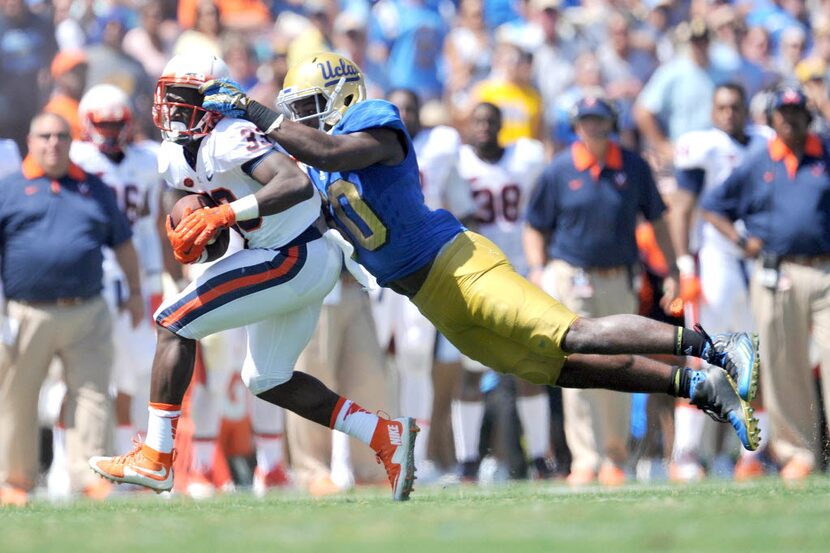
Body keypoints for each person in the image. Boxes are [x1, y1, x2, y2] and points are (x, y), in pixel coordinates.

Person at [198, 52, 762, 459]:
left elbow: (331, 147)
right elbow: (304, 197)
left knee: (572, 332)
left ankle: (714, 346)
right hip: (427, 297)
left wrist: (253, 108)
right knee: (559, 369)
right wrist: (223, 216)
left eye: (309, 106)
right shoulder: (314, 166)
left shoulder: (374, 122)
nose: (300, 118)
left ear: (343, 95)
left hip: (459, 263)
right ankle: (695, 387)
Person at [88, 53, 418, 501]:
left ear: (213, 99)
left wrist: (226, 213)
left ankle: (157, 456)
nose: (174, 108)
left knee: (172, 321)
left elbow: (293, 184)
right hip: (287, 255)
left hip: (294, 253)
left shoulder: (230, 135)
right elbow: (183, 194)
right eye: (172, 96)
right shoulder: (173, 152)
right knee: (267, 378)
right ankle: (384, 433)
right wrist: (188, 222)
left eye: (187, 98)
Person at [524, 94, 675, 486]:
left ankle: (614, 456)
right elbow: (535, 226)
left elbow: (657, 220)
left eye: (601, 119)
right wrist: (539, 270)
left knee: (621, 363)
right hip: (572, 275)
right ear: (576, 125)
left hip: (620, 276)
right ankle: (585, 459)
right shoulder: (559, 170)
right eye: (586, 120)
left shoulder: (633, 166)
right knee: (579, 365)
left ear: (612, 122)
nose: (594, 126)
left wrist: (673, 267)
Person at [0, 112, 142, 506]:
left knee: (94, 394)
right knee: (17, 398)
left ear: (71, 140)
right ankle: (15, 481)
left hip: (87, 308)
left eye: (61, 136)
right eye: (45, 136)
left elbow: (123, 243)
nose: (53, 144)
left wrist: (134, 292)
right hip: (25, 312)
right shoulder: (9, 188)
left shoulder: (92, 188)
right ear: (30, 141)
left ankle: (90, 477)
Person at [702, 86, 830, 481]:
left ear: (808, 116)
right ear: (771, 119)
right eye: (782, 112)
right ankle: (798, 454)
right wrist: (742, 240)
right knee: (781, 362)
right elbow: (714, 206)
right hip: (776, 272)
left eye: (795, 111)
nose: (789, 118)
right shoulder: (758, 163)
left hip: (825, 270)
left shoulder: (825, 154)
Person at [668, 83, 773, 482]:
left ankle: (751, 455)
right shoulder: (704, 145)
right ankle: (687, 452)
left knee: (754, 360)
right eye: (722, 107)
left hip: (759, 259)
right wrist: (684, 265)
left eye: (735, 106)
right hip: (714, 258)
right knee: (703, 356)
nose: (729, 113)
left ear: (746, 109)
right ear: (713, 112)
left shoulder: (765, 141)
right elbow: (682, 206)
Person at [455, 101, 551, 481]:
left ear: (501, 125)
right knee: (469, 369)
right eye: (477, 119)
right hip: (472, 272)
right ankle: (467, 461)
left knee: (529, 364)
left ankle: (540, 456)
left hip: (519, 270)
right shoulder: (457, 161)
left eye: (490, 120)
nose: (484, 126)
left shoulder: (524, 157)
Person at [70, 83, 166, 460]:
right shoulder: (76, 159)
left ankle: (126, 457)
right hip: (92, 278)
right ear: (85, 123)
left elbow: (146, 227)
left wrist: (152, 283)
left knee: (135, 374)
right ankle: (70, 462)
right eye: (102, 124)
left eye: (117, 123)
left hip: (132, 278)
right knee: (81, 377)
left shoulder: (145, 160)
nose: (110, 132)